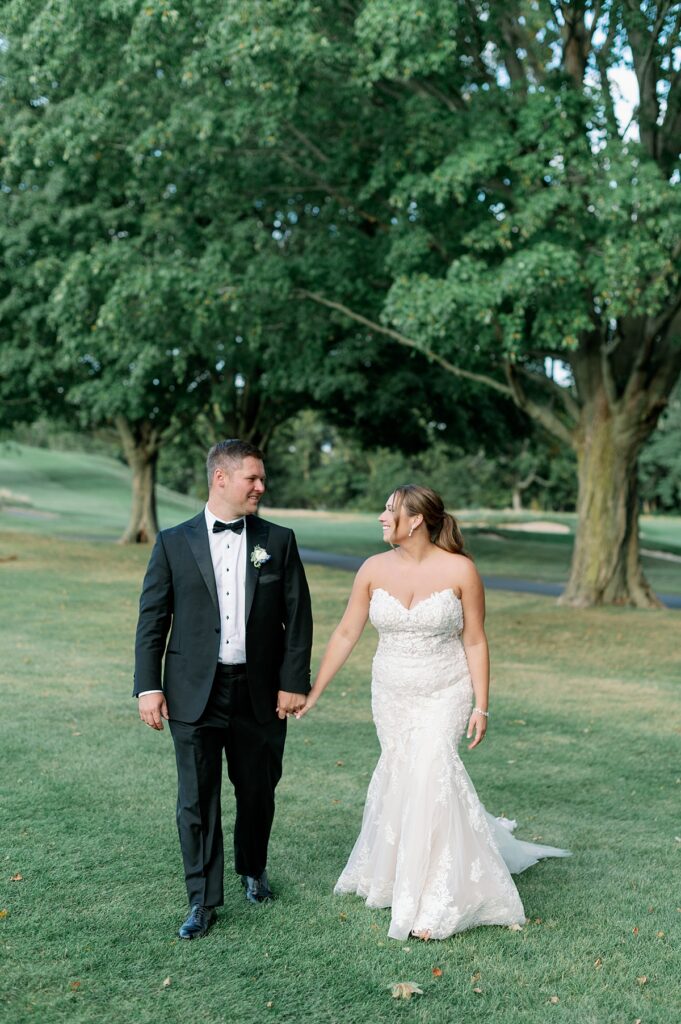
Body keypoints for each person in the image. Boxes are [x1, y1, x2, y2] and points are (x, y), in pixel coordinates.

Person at [296, 484, 569, 941]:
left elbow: (475, 639)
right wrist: (315, 691)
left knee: (432, 772)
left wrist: (482, 705)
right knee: (403, 772)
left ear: (416, 519)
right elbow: (345, 633)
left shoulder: (461, 570)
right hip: (391, 693)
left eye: (390, 510)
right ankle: (394, 872)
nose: (382, 517)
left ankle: (439, 897)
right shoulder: (372, 569)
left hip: (446, 689)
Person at [133, 439, 313, 940]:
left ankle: (253, 867)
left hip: (260, 692)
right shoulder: (173, 542)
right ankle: (202, 900)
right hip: (193, 691)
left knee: (257, 790)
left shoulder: (278, 541)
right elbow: (152, 619)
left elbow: (298, 618)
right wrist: (148, 687)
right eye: (252, 478)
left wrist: (292, 683)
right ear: (221, 478)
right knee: (196, 798)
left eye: (261, 478)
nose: (261, 486)